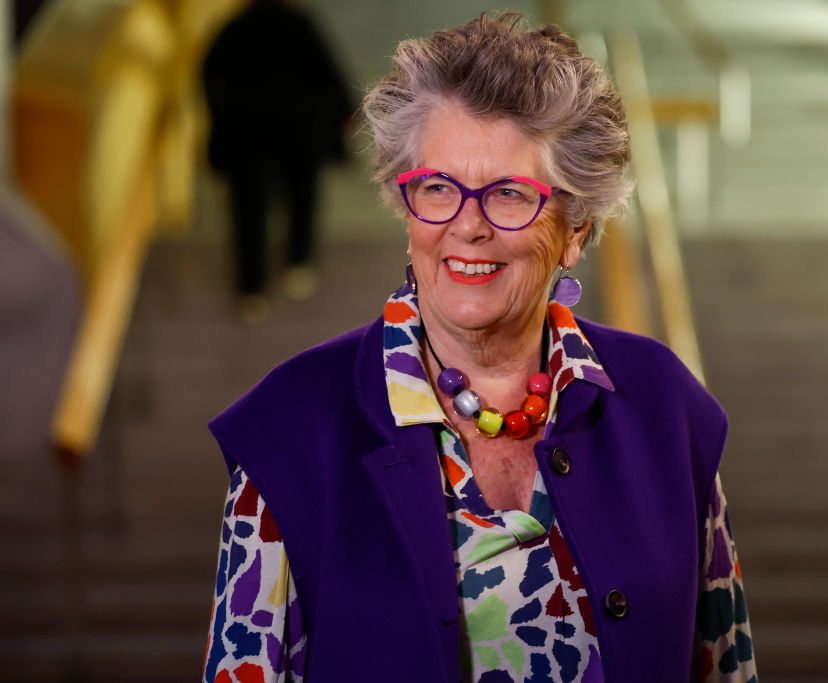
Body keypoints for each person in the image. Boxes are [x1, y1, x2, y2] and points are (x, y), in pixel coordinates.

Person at [203, 12, 755, 682]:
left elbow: (726, 667)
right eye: (438, 188)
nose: (467, 225)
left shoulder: (665, 406)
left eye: (510, 194)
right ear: (406, 210)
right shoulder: (290, 429)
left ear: (575, 228)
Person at [202, 0, 355, 322]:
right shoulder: (299, 23)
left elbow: (209, 77)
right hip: (298, 131)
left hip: (247, 134)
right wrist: (344, 112)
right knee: (302, 198)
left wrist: (219, 120)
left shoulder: (235, 27)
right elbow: (328, 71)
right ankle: (298, 263)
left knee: (248, 212)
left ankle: (251, 289)